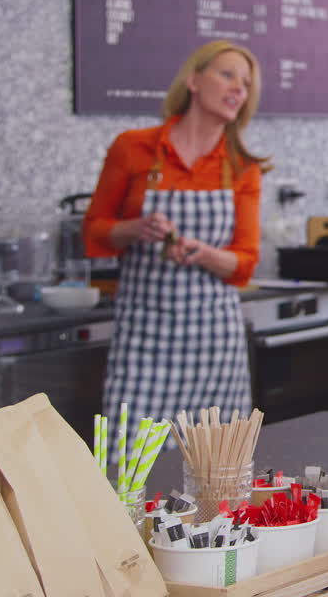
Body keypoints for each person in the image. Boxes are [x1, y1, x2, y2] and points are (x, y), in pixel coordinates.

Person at [84, 40, 269, 461]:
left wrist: (202, 253)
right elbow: (95, 229)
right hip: (143, 338)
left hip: (214, 342)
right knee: (128, 464)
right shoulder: (134, 148)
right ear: (194, 80)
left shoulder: (241, 167)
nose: (238, 88)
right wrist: (134, 228)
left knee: (214, 468)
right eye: (227, 74)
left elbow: (244, 262)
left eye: (246, 83)